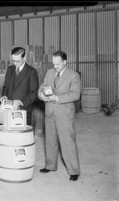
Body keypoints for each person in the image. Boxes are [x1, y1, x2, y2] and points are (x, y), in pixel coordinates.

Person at [38, 50, 81, 181]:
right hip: (50, 111)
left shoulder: (73, 75)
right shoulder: (50, 72)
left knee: (68, 142)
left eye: (57, 64)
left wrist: (56, 98)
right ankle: (50, 165)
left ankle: (74, 170)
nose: (55, 66)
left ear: (64, 62)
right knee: (50, 141)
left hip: (65, 113)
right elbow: (43, 86)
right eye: (53, 64)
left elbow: (75, 95)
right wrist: (40, 95)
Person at [0, 47, 39, 127]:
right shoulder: (10, 69)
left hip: (23, 110)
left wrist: (22, 102)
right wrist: (4, 95)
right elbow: (6, 86)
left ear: (24, 58)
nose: (15, 63)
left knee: (21, 137)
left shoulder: (31, 72)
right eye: (13, 60)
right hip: (9, 109)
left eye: (17, 61)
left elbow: (34, 92)